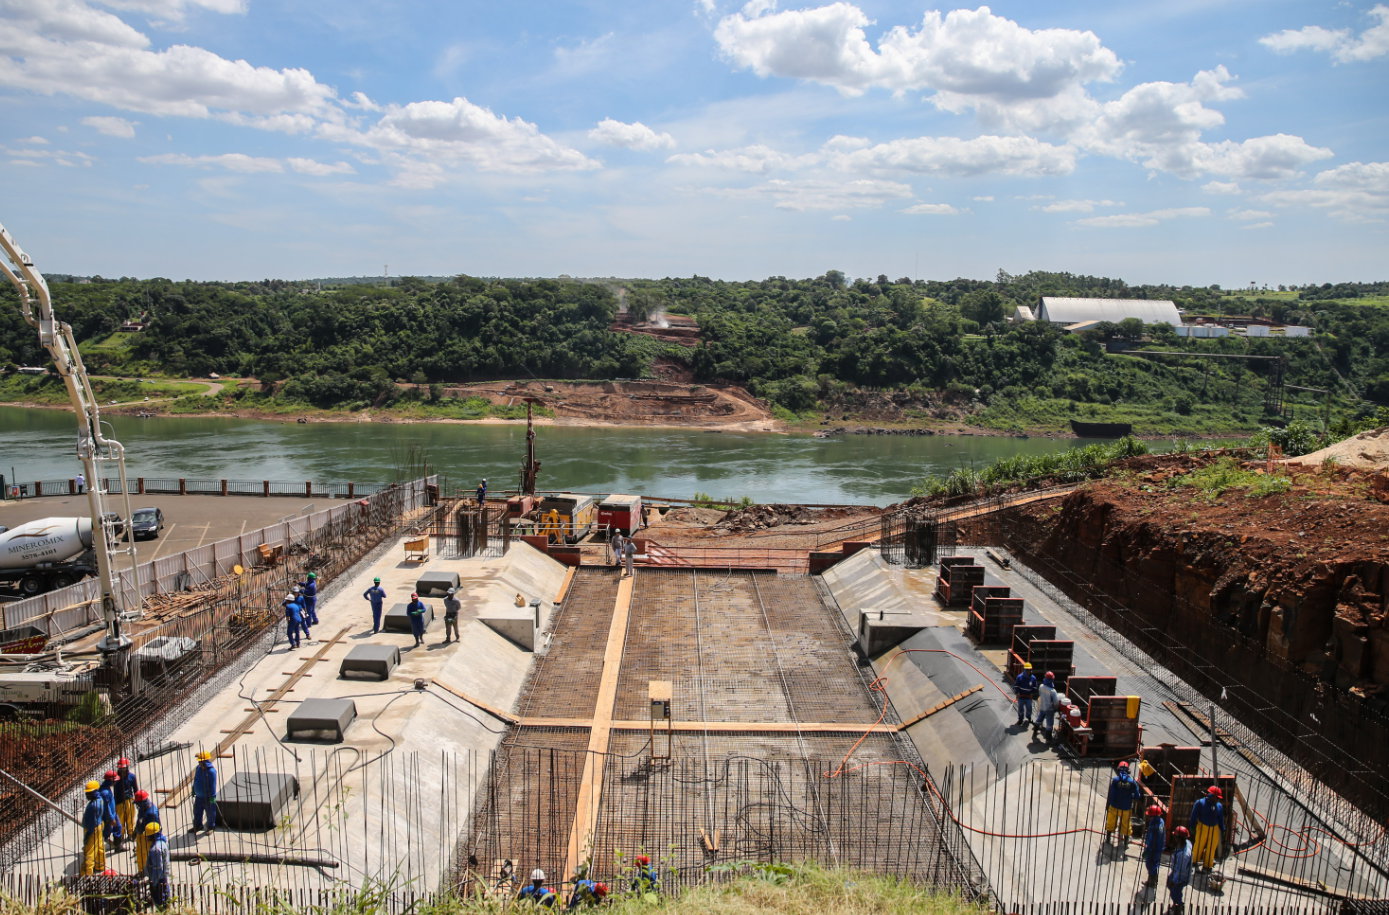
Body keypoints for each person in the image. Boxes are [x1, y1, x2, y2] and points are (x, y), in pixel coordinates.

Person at [1189, 785, 1225, 872]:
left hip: (1215, 829)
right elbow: (1193, 815)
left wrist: (1222, 828)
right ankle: (1194, 861)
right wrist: (1192, 826)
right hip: (1202, 827)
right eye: (1216, 797)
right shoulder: (1200, 803)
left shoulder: (1219, 806)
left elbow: (1221, 818)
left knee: (1211, 847)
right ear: (1211, 795)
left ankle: (1208, 865)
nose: (1217, 799)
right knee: (1199, 845)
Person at [1105, 760, 1140, 845]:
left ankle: (1108, 839)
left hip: (1114, 806)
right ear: (1128, 770)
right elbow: (1137, 796)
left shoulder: (1115, 780)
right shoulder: (1132, 782)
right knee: (1126, 825)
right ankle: (1125, 842)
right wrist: (1130, 796)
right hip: (1126, 807)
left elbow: (1111, 794)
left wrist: (1108, 805)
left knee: (1111, 823)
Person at [80, 780, 106, 875]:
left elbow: (91, 824)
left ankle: (87, 873)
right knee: (99, 847)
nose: (87, 795)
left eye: (89, 793)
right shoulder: (100, 800)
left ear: (95, 791)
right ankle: (100, 865)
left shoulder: (93, 806)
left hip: (93, 829)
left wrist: (87, 835)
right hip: (99, 826)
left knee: (89, 852)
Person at [133, 790, 160, 871]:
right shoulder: (142, 808)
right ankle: (141, 871)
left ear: (143, 802)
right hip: (140, 834)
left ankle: (149, 871)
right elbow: (139, 820)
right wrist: (135, 831)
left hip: (147, 837)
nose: (137, 805)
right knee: (140, 854)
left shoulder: (152, 813)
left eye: (138, 803)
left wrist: (152, 839)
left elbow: (155, 828)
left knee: (148, 855)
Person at [191, 750, 218, 833]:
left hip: (208, 797)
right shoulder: (198, 768)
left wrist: (212, 797)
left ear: (205, 762)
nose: (199, 763)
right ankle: (198, 826)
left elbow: (213, 785)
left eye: (201, 762)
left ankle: (211, 827)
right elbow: (196, 779)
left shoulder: (211, 772)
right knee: (197, 812)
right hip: (199, 797)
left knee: (210, 813)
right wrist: (193, 789)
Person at [144, 821, 170, 907]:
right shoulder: (163, 843)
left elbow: (158, 868)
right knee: (166, 900)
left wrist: (154, 883)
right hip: (163, 877)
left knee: (160, 903)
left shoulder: (155, 849)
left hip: (158, 880)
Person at [1168, 824, 1193, 909]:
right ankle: (1177, 902)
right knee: (1171, 885)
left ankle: (1178, 905)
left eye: (1175, 836)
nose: (1174, 837)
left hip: (1181, 878)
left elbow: (1180, 871)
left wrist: (1174, 881)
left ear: (1179, 838)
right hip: (1176, 872)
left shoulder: (1184, 855)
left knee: (1175, 891)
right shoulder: (1187, 843)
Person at [1143, 803, 1166, 888]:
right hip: (1159, 848)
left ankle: (1151, 882)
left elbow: (1152, 840)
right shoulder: (1161, 821)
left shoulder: (1155, 827)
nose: (1149, 817)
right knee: (1155, 865)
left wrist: (1147, 850)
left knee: (1150, 865)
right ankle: (1153, 880)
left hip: (1153, 849)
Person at [98, 769, 123, 850]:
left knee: (118, 827)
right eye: (114, 781)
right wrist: (111, 819)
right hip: (108, 817)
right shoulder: (104, 793)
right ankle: (99, 844)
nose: (115, 782)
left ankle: (118, 846)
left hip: (113, 814)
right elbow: (106, 808)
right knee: (107, 832)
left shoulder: (107, 788)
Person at [1034, 672, 1059, 739]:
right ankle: (1048, 738)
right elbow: (1056, 702)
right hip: (1049, 709)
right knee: (1049, 724)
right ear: (1052, 680)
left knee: (1039, 719)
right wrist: (1056, 708)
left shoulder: (1041, 686)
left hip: (1042, 706)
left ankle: (1035, 731)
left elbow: (1040, 694)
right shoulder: (1053, 691)